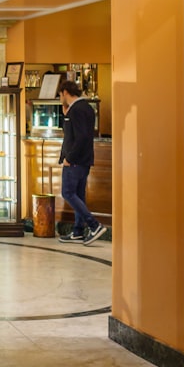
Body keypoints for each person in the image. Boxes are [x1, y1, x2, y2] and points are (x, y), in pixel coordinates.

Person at [56, 79, 108, 246]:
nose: (59, 98)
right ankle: (78, 231)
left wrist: (69, 158)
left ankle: (94, 225)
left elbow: (81, 137)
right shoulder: (85, 108)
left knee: (68, 193)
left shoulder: (77, 110)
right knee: (78, 195)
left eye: (60, 95)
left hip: (75, 161)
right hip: (84, 160)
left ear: (65, 92)